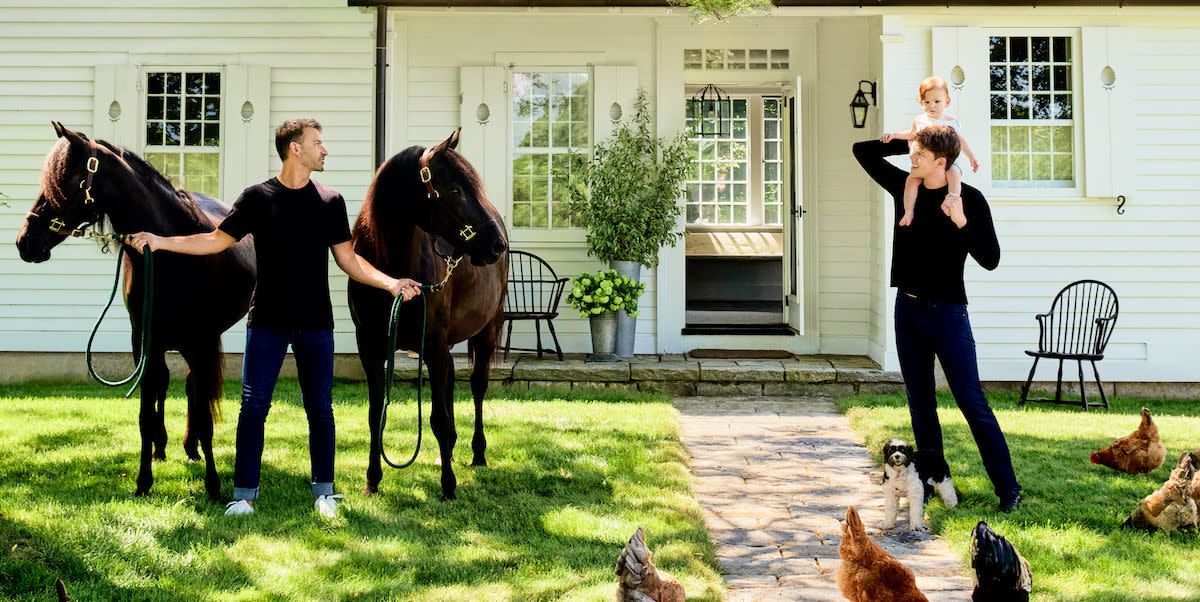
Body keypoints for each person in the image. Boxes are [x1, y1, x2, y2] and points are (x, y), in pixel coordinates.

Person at [127, 119, 422, 518]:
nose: (325, 149)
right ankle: (244, 494)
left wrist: (390, 284)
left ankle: (325, 491)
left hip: (316, 322)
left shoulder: (330, 200)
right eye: (318, 142)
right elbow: (215, 241)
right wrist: (160, 241)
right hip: (266, 320)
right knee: (253, 407)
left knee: (320, 407)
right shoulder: (257, 198)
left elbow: (348, 259)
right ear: (295, 149)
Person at [852, 125, 1021, 513]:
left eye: (920, 155)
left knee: (971, 401)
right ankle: (930, 484)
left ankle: (1008, 488)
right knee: (920, 403)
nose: (912, 159)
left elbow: (991, 259)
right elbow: (862, 151)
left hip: (948, 314)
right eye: (913, 153)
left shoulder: (970, 200)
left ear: (941, 162)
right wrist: (909, 137)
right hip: (907, 310)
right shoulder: (905, 187)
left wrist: (961, 220)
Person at [881, 76, 979, 227]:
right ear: (921, 103)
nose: (931, 106)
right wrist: (894, 135)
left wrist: (972, 158)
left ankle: (951, 200)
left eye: (937, 101)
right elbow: (912, 134)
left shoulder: (951, 122)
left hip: (948, 158)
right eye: (927, 102)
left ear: (947, 102)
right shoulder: (920, 120)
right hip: (922, 161)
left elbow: (961, 141)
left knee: (953, 173)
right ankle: (908, 211)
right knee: (911, 181)